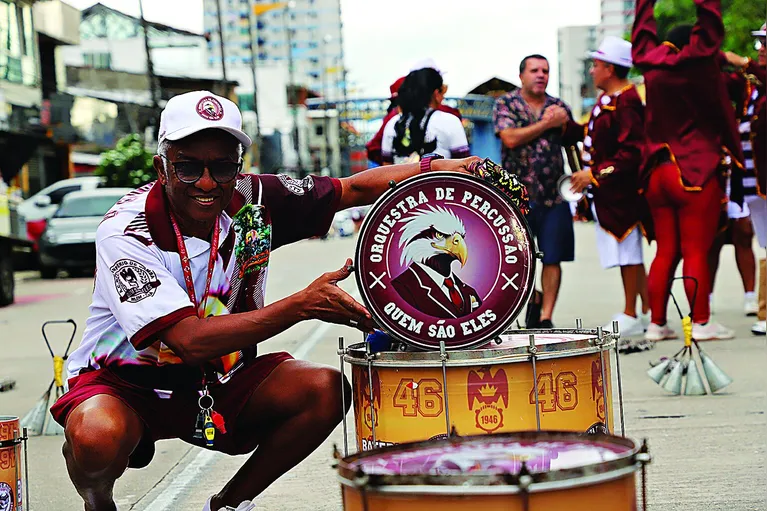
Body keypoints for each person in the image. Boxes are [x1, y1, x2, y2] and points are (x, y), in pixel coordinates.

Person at [49, 90, 479, 511]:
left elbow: (351, 190)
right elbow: (187, 340)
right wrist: (301, 305)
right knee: (95, 437)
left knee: (324, 390)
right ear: (162, 167)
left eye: (222, 167)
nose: (206, 182)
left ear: (238, 167)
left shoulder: (252, 199)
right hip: (123, 383)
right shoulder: (127, 230)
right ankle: (99, 502)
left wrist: (447, 168)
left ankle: (229, 504)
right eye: (187, 167)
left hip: (214, 379)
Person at [631, 0, 744, 341]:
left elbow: (641, 39)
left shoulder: (652, 66)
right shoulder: (701, 68)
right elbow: (710, 29)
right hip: (694, 169)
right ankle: (702, 323)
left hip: (656, 170)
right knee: (696, 250)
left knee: (665, 251)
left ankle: (656, 325)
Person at [569, 36, 652, 337]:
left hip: (623, 193)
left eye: (597, 65)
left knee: (629, 253)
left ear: (611, 70)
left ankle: (631, 312)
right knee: (625, 253)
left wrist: (594, 174)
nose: (592, 71)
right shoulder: (607, 101)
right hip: (609, 193)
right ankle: (645, 312)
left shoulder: (627, 101)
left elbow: (631, 152)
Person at [493, 54, 582, 328]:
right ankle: (531, 301)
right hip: (514, 197)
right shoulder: (506, 104)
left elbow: (573, 141)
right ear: (522, 76)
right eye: (534, 70)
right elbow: (509, 138)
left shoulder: (559, 106)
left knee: (554, 257)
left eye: (545, 70)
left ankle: (545, 316)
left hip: (553, 194)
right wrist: (546, 124)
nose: (541, 75)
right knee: (519, 257)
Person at [720, 23, 767, 335]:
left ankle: (763, 310)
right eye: (760, 44)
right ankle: (762, 309)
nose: (760, 49)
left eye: (766, 43)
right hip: (751, 177)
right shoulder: (753, 84)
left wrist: (743, 62)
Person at [381, 60, 470, 164]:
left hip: (400, 179)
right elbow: (464, 166)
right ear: (436, 93)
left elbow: (386, 168)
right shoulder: (450, 121)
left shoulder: (392, 125)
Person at [366, 73, 462, 166]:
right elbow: (463, 164)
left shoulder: (392, 122)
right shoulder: (448, 118)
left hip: (400, 177)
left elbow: (383, 162)